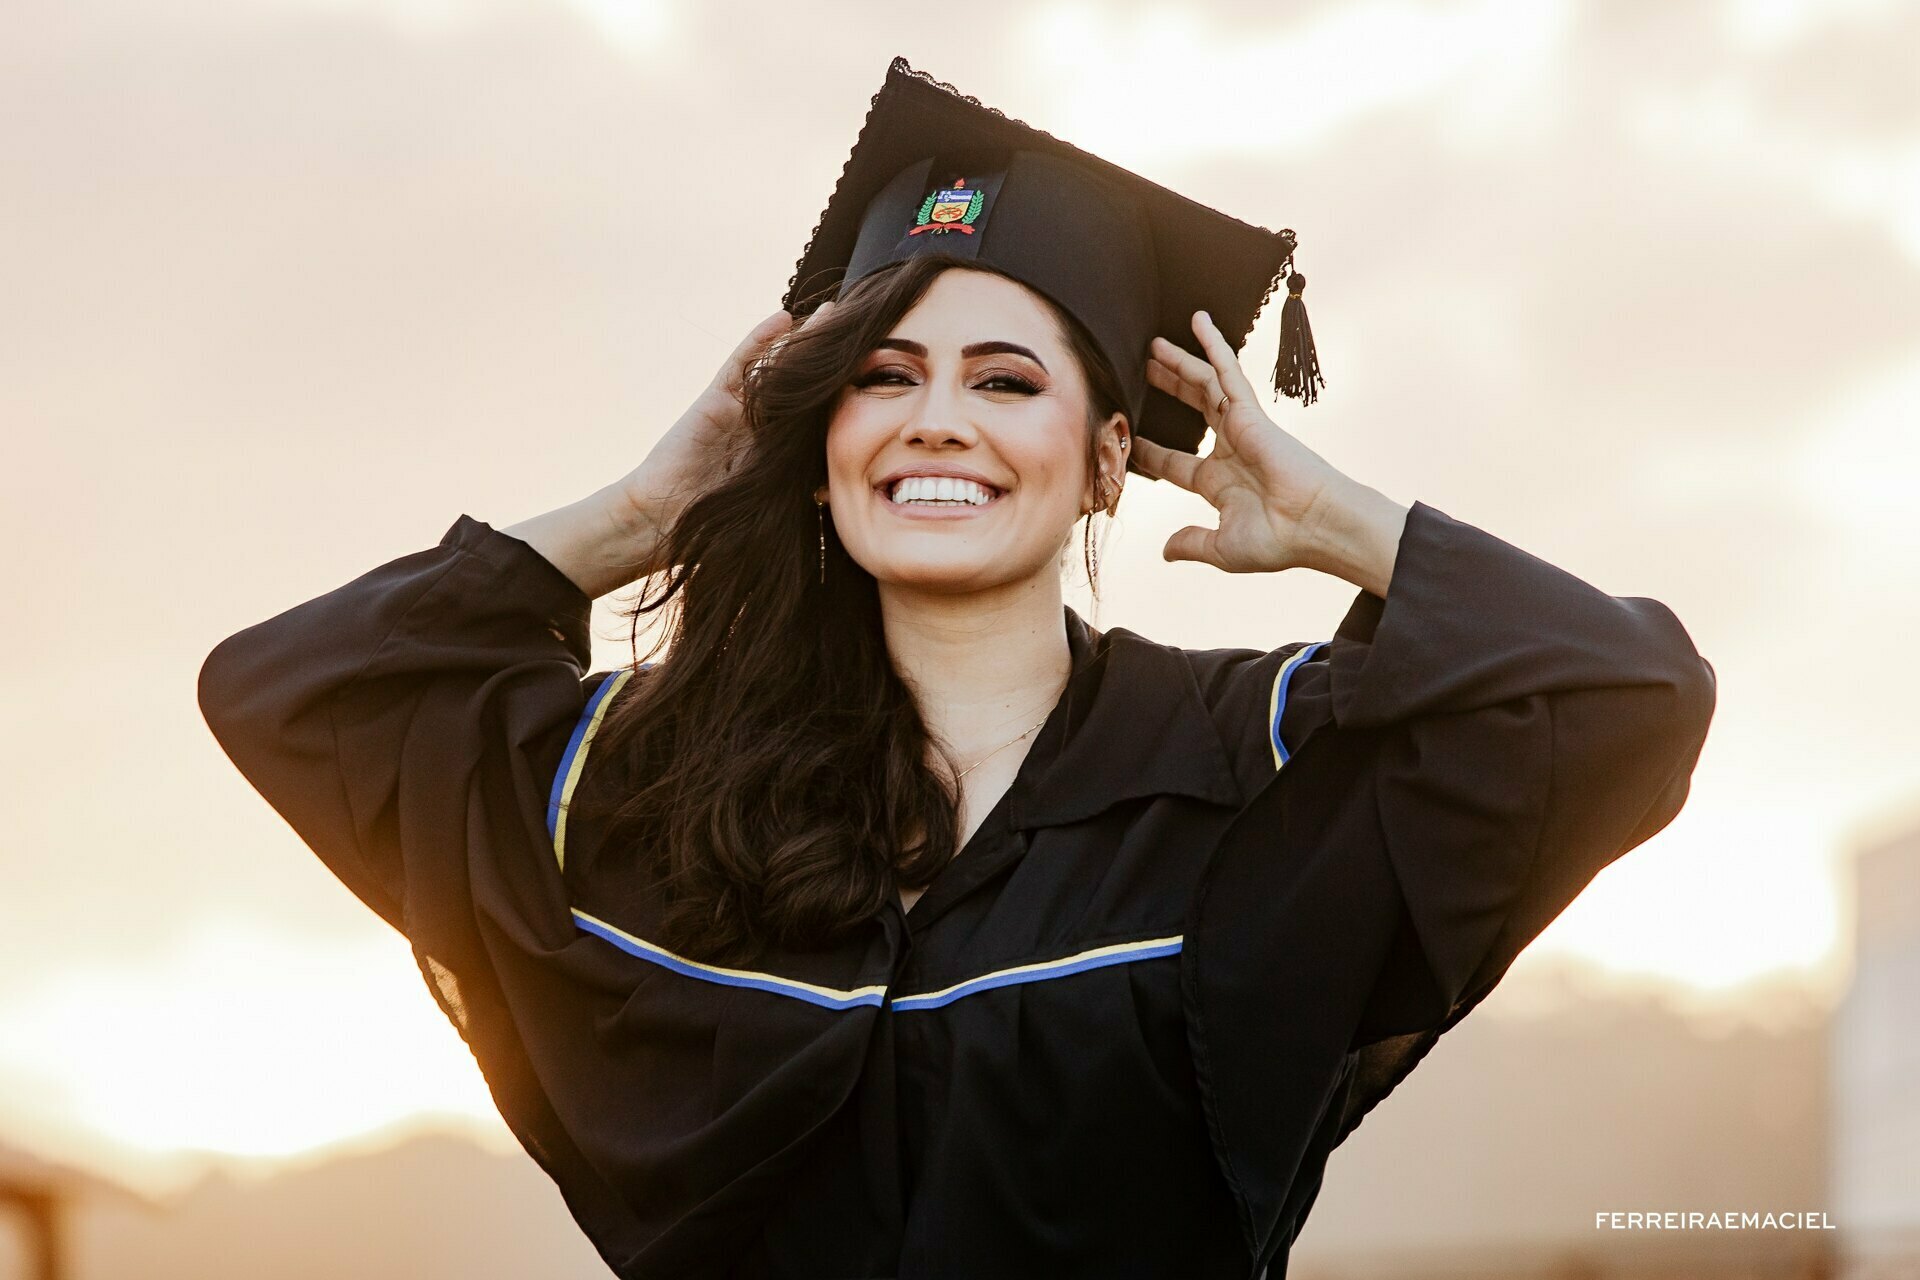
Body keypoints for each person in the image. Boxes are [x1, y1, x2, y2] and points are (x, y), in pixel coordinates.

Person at [197, 58, 1716, 1280]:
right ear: (817, 448)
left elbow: (1626, 700)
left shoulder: (1255, 765)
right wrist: (655, 508)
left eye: (1007, 381)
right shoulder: (652, 795)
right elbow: (294, 687)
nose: (938, 421)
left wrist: (1329, 517)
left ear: (1107, 457)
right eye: (880, 379)